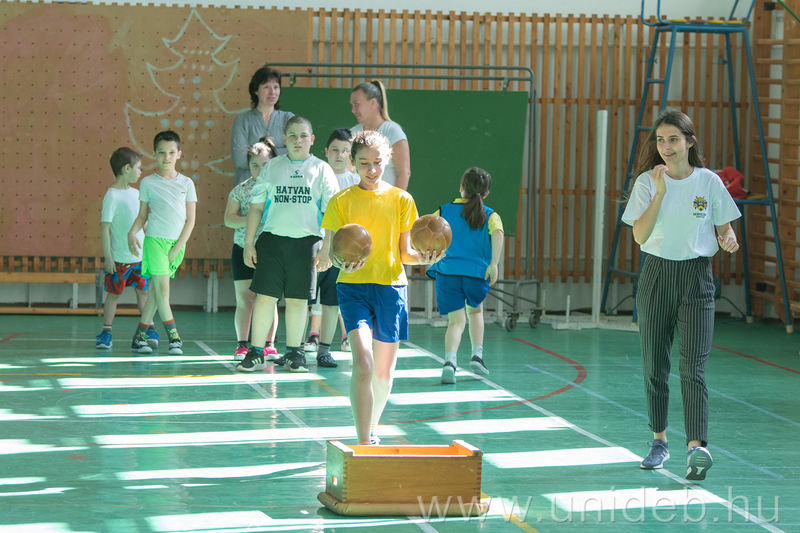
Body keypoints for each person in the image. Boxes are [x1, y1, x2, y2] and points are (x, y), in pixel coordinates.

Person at [621, 110, 741, 481]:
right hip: (656, 276)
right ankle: (659, 441)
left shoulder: (709, 182)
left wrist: (729, 239)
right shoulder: (647, 182)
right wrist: (660, 193)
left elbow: (725, 229)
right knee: (655, 366)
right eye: (660, 140)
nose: (666, 146)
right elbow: (640, 235)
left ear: (689, 141)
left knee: (693, 368)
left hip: (697, 278)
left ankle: (696, 448)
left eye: (673, 139)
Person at [318, 130, 443, 445]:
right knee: (363, 364)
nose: (371, 169)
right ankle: (364, 442)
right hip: (353, 289)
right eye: (364, 163)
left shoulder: (402, 200)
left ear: (387, 160)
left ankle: (372, 425)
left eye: (377, 162)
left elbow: (405, 253)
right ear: (352, 163)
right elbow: (330, 254)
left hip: (391, 288)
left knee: (383, 375)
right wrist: (338, 262)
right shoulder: (340, 201)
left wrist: (426, 257)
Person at [238, 116, 339, 373]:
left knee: (297, 300)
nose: (297, 140)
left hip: (307, 244)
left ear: (312, 139)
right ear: (284, 139)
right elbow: (256, 208)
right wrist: (249, 243)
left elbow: (332, 214)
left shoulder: (322, 169)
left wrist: (327, 248)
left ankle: (295, 353)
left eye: (303, 135)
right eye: (292, 135)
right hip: (272, 242)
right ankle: (256, 352)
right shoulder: (272, 167)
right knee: (265, 298)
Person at [426, 167, 504, 384]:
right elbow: (498, 233)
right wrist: (494, 264)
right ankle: (477, 355)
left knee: (455, 322)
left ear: (461, 187)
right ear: (486, 193)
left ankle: (449, 362)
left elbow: (425, 227)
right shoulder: (490, 214)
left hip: (447, 274)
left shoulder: (443, 210)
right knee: (475, 312)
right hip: (475, 274)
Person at [128, 130, 198, 355]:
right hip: (155, 243)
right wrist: (132, 233)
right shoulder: (147, 183)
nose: (166, 157)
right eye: (161, 152)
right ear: (154, 154)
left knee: (155, 294)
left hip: (177, 245)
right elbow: (142, 216)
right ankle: (175, 338)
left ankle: (138, 338)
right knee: (163, 290)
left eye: (171, 152)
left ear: (179, 154)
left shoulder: (187, 183)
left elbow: (190, 220)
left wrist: (177, 248)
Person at [304, 128, 361, 367]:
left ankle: (325, 349)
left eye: (345, 151)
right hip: (313, 245)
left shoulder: (357, 182)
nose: (339, 155)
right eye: (335, 150)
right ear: (326, 152)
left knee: (332, 300)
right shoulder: (315, 176)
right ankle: (298, 346)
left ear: (351, 155)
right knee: (304, 298)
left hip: (342, 249)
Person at [95, 147, 158, 350]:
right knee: (114, 295)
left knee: (144, 294)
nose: (141, 172)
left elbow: (143, 222)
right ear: (127, 168)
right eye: (138, 168)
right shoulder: (111, 196)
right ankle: (106, 332)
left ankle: (149, 328)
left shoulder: (137, 193)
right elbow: (105, 229)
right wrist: (108, 257)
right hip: (120, 259)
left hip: (140, 258)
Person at [224, 138, 281, 361]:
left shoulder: (279, 190)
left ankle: (269, 345)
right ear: (249, 166)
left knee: (268, 299)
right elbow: (229, 219)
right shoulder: (240, 190)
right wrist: (252, 220)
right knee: (245, 300)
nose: (260, 169)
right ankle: (242, 345)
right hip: (242, 249)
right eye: (255, 165)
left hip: (271, 251)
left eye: (264, 164)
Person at [231, 67, 295, 186]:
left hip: (280, 187)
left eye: (276, 87)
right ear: (255, 90)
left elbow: (295, 153)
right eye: (266, 87)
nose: (272, 92)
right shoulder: (242, 120)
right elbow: (239, 159)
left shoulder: (288, 119)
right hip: (248, 189)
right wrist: (280, 153)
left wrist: (255, 156)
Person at [349, 80, 411, 190]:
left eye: (356, 103)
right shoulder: (351, 134)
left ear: (373, 103)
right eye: (352, 105)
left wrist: (395, 200)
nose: (353, 110)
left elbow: (404, 174)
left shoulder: (393, 131)